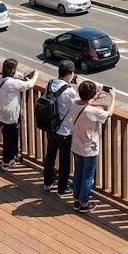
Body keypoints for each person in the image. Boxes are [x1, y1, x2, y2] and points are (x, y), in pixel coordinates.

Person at [66, 80, 115, 213]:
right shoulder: (93, 112)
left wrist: (95, 98)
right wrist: (113, 97)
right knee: (88, 177)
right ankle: (84, 203)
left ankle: (76, 200)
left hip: (76, 146)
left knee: (78, 173)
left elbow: (85, 102)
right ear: (91, 95)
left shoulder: (74, 104)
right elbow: (109, 114)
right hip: (90, 149)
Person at [42, 60, 80, 196]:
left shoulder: (50, 83)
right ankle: (62, 189)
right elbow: (81, 102)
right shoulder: (70, 91)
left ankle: (47, 182)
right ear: (70, 75)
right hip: (65, 131)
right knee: (64, 162)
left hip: (51, 127)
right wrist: (78, 85)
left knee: (50, 156)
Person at [0, 58, 38, 169]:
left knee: (8, 139)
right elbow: (30, 84)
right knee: (11, 140)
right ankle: (7, 161)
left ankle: (12, 158)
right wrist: (36, 74)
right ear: (13, 70)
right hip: (11, 115)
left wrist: (22, 75)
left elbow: (17, 76)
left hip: (0, 112)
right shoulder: (12, 83)